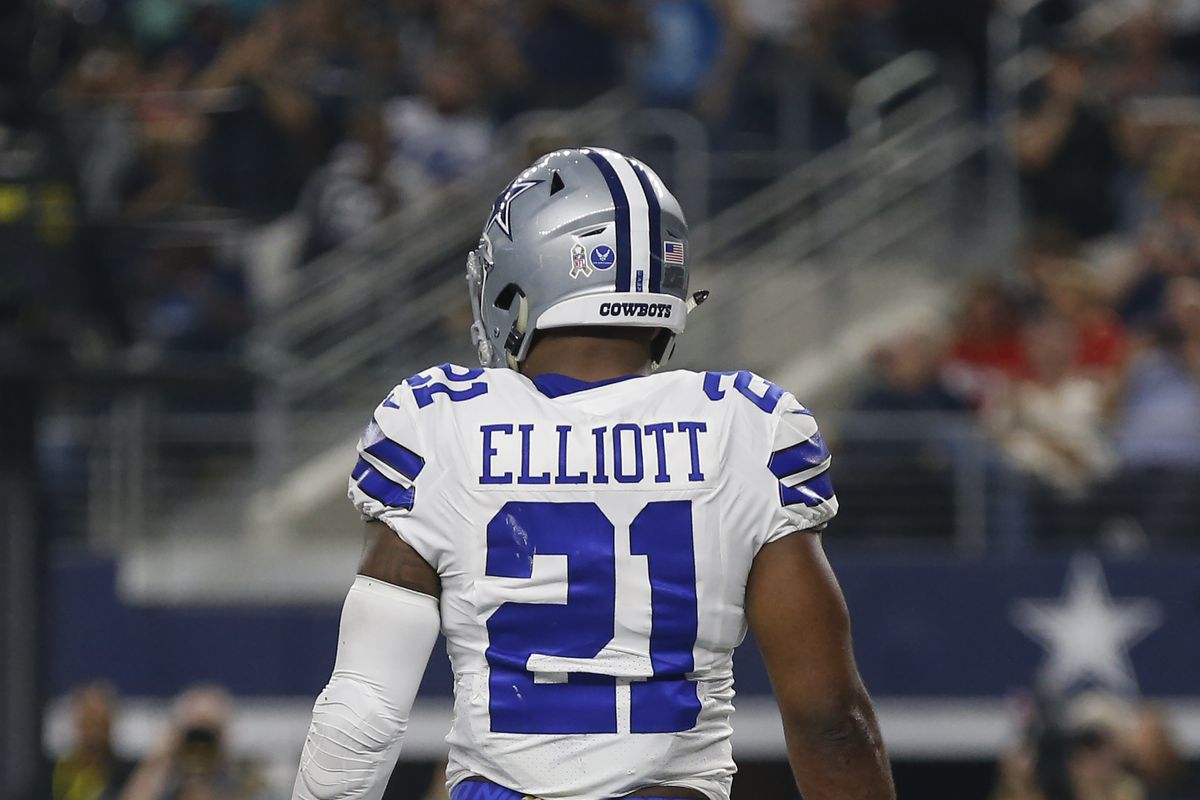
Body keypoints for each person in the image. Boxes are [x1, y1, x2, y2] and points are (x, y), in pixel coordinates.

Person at [292, 147, 894, 800]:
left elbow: (362, 714)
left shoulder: (435, 424)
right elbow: (831, 723)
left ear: (525, 277)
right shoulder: (746, 426)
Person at [51, 682, 136, 800]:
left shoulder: (127, 777)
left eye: (100, 723)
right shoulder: (56, 771)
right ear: (77, 723)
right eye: (89, 722)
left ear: (110, 725)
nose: (94, 732)